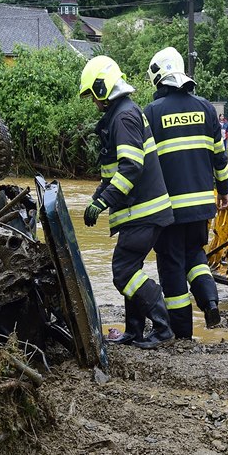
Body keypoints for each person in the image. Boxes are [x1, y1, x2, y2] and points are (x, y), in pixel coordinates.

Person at [80, 55, 175, 350]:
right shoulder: (123, 113)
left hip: (143, 212)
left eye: (93, 96)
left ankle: (162, 327)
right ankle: (134, 330)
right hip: (141, 212)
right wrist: (98, 197)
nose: (94, 103)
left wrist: (103, 201)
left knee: (123, 273)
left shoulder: (123, 116)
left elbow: (131, 167)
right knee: (130, 269)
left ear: (102, 88)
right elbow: (115, 172)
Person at [143, 47, 228, 340]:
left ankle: (182, 333)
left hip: (167, 209)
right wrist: (224, 191)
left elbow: (144, 164)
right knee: (195, 254)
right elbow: (220, 156)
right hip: (202, 206)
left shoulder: (152, 113)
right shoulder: (206, 108)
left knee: (171, 265)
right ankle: (211, 303)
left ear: (158, 77)